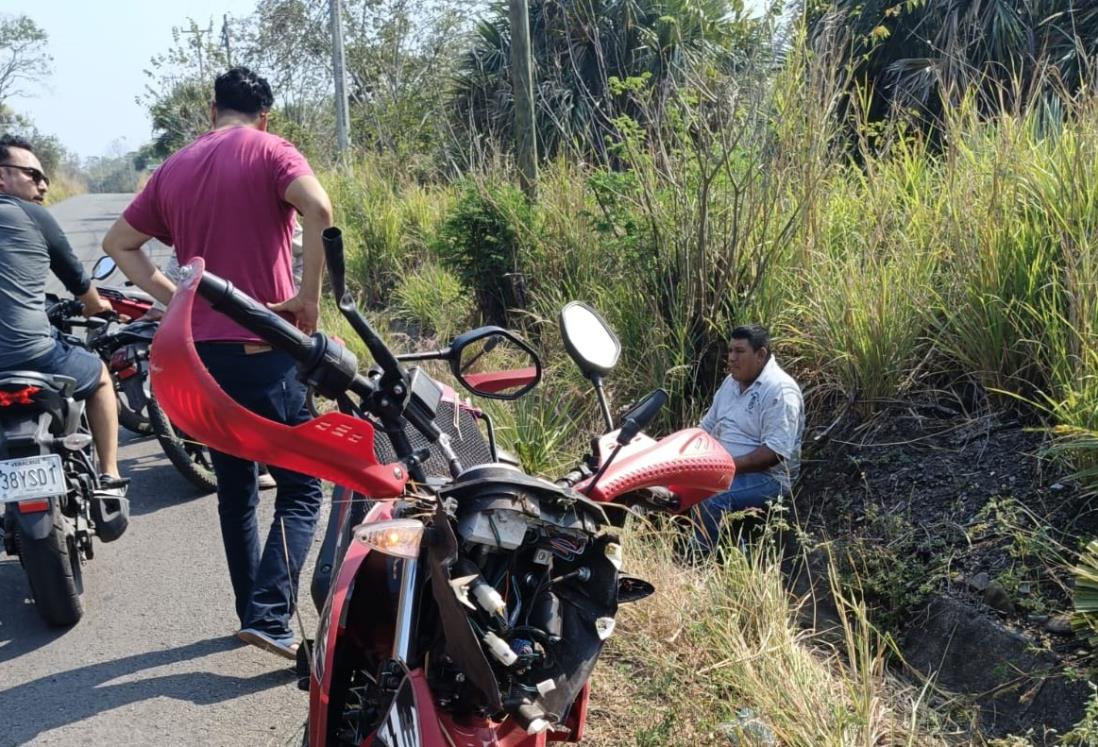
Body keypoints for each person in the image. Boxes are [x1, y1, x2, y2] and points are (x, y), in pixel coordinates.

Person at [102, 67, 333, 659]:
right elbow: (319, 207)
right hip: (264, 355)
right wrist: (307, 299)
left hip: (203, 364)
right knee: (303, 488)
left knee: (235, 489)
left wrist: (178, 297)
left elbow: (119, 245)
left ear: (211, 112)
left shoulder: (173, 169)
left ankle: (252, 612)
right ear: (265, 115)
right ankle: (270, 613)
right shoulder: (271, 150)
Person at [0, 134, 127, 495]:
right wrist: (95, 305)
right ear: (1, 177)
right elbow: (77, 279)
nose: (42, 185)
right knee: (100, 376)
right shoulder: (32, 215)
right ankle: (110, 477)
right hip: (34, 354)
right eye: (32, 174)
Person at [693, 324, 804, 552]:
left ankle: (699, 560)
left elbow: (773, 454)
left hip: (768, 478)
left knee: (712, 496)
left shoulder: (780, 390)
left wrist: (720, 468)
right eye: (730, 351)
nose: (732, 358)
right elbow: (707, 426)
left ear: (761, 354)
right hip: (720, 466)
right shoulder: (730, 382)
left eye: (740, 351)